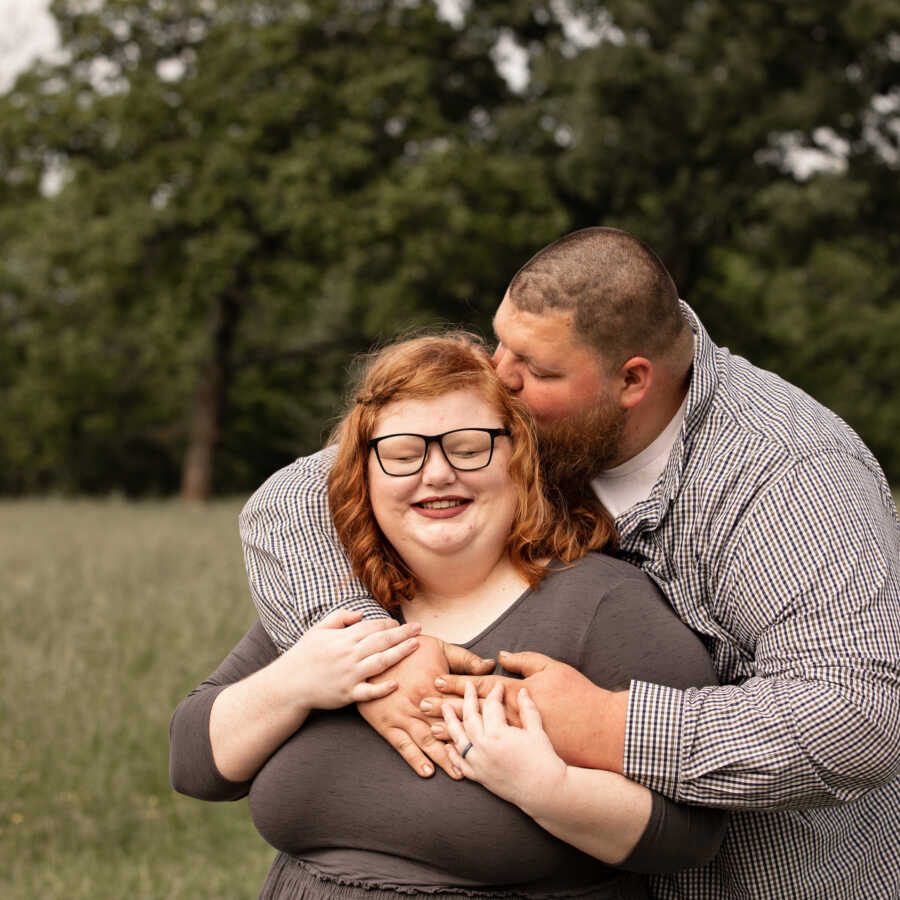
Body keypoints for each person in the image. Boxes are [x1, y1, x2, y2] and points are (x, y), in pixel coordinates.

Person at [239, 228, 900, 899]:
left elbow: (860, 715)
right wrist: (378, 654)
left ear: (632, 380)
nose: (500, 377)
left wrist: (605, 726)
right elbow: (292, 498)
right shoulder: (535, 422)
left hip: (767, 883)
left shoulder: (786, 474)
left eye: (540, 369)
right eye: (502, 342)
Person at [170, 332, 727, 898]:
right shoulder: (336, 597)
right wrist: (297, 683)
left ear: (520, 458)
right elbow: (194, 767)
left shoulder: (604, 606)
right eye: (403, 454)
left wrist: (546, 788)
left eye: (467, 447)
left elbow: (691, 836)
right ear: (363, 474)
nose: (436, 475)